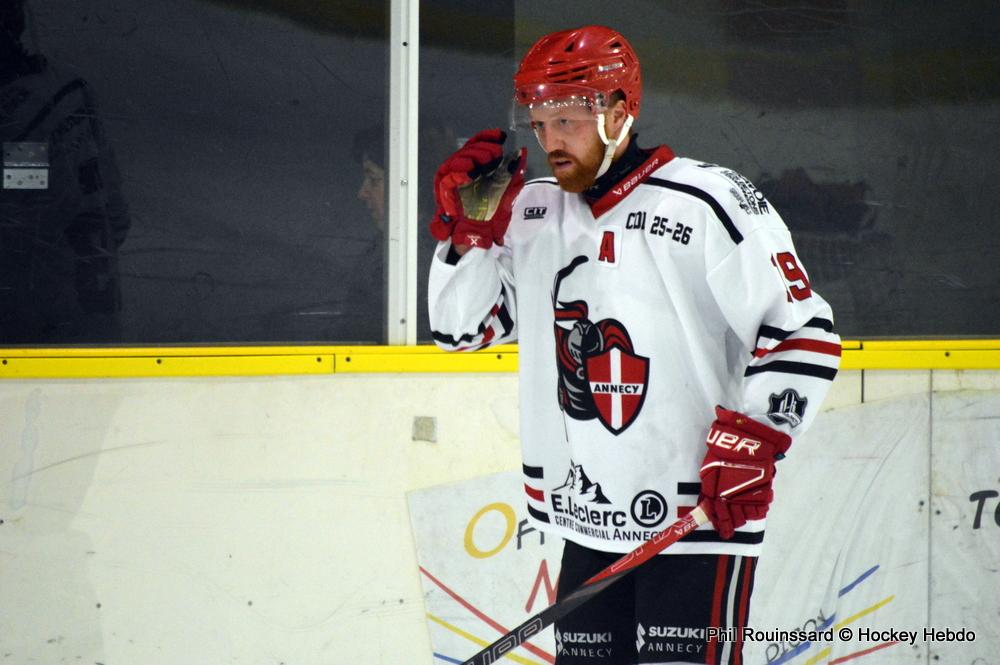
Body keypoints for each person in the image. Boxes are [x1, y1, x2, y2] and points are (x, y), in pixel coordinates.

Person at [427, 25, 841, 664]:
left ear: (619, 112)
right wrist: (470, 235)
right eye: (539, 123)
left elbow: (802, 329)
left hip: (694, 518)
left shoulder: (707, 201)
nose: (550, 140)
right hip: (587, 518)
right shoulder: (532, 212)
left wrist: (756, 439)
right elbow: (463, 330)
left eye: (567, 120)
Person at [0, 0, 131, 343]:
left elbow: (21, 222)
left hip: (41, 327)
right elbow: (116, 210)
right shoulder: (70, 85)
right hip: (95, 308)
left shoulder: (17, 121)